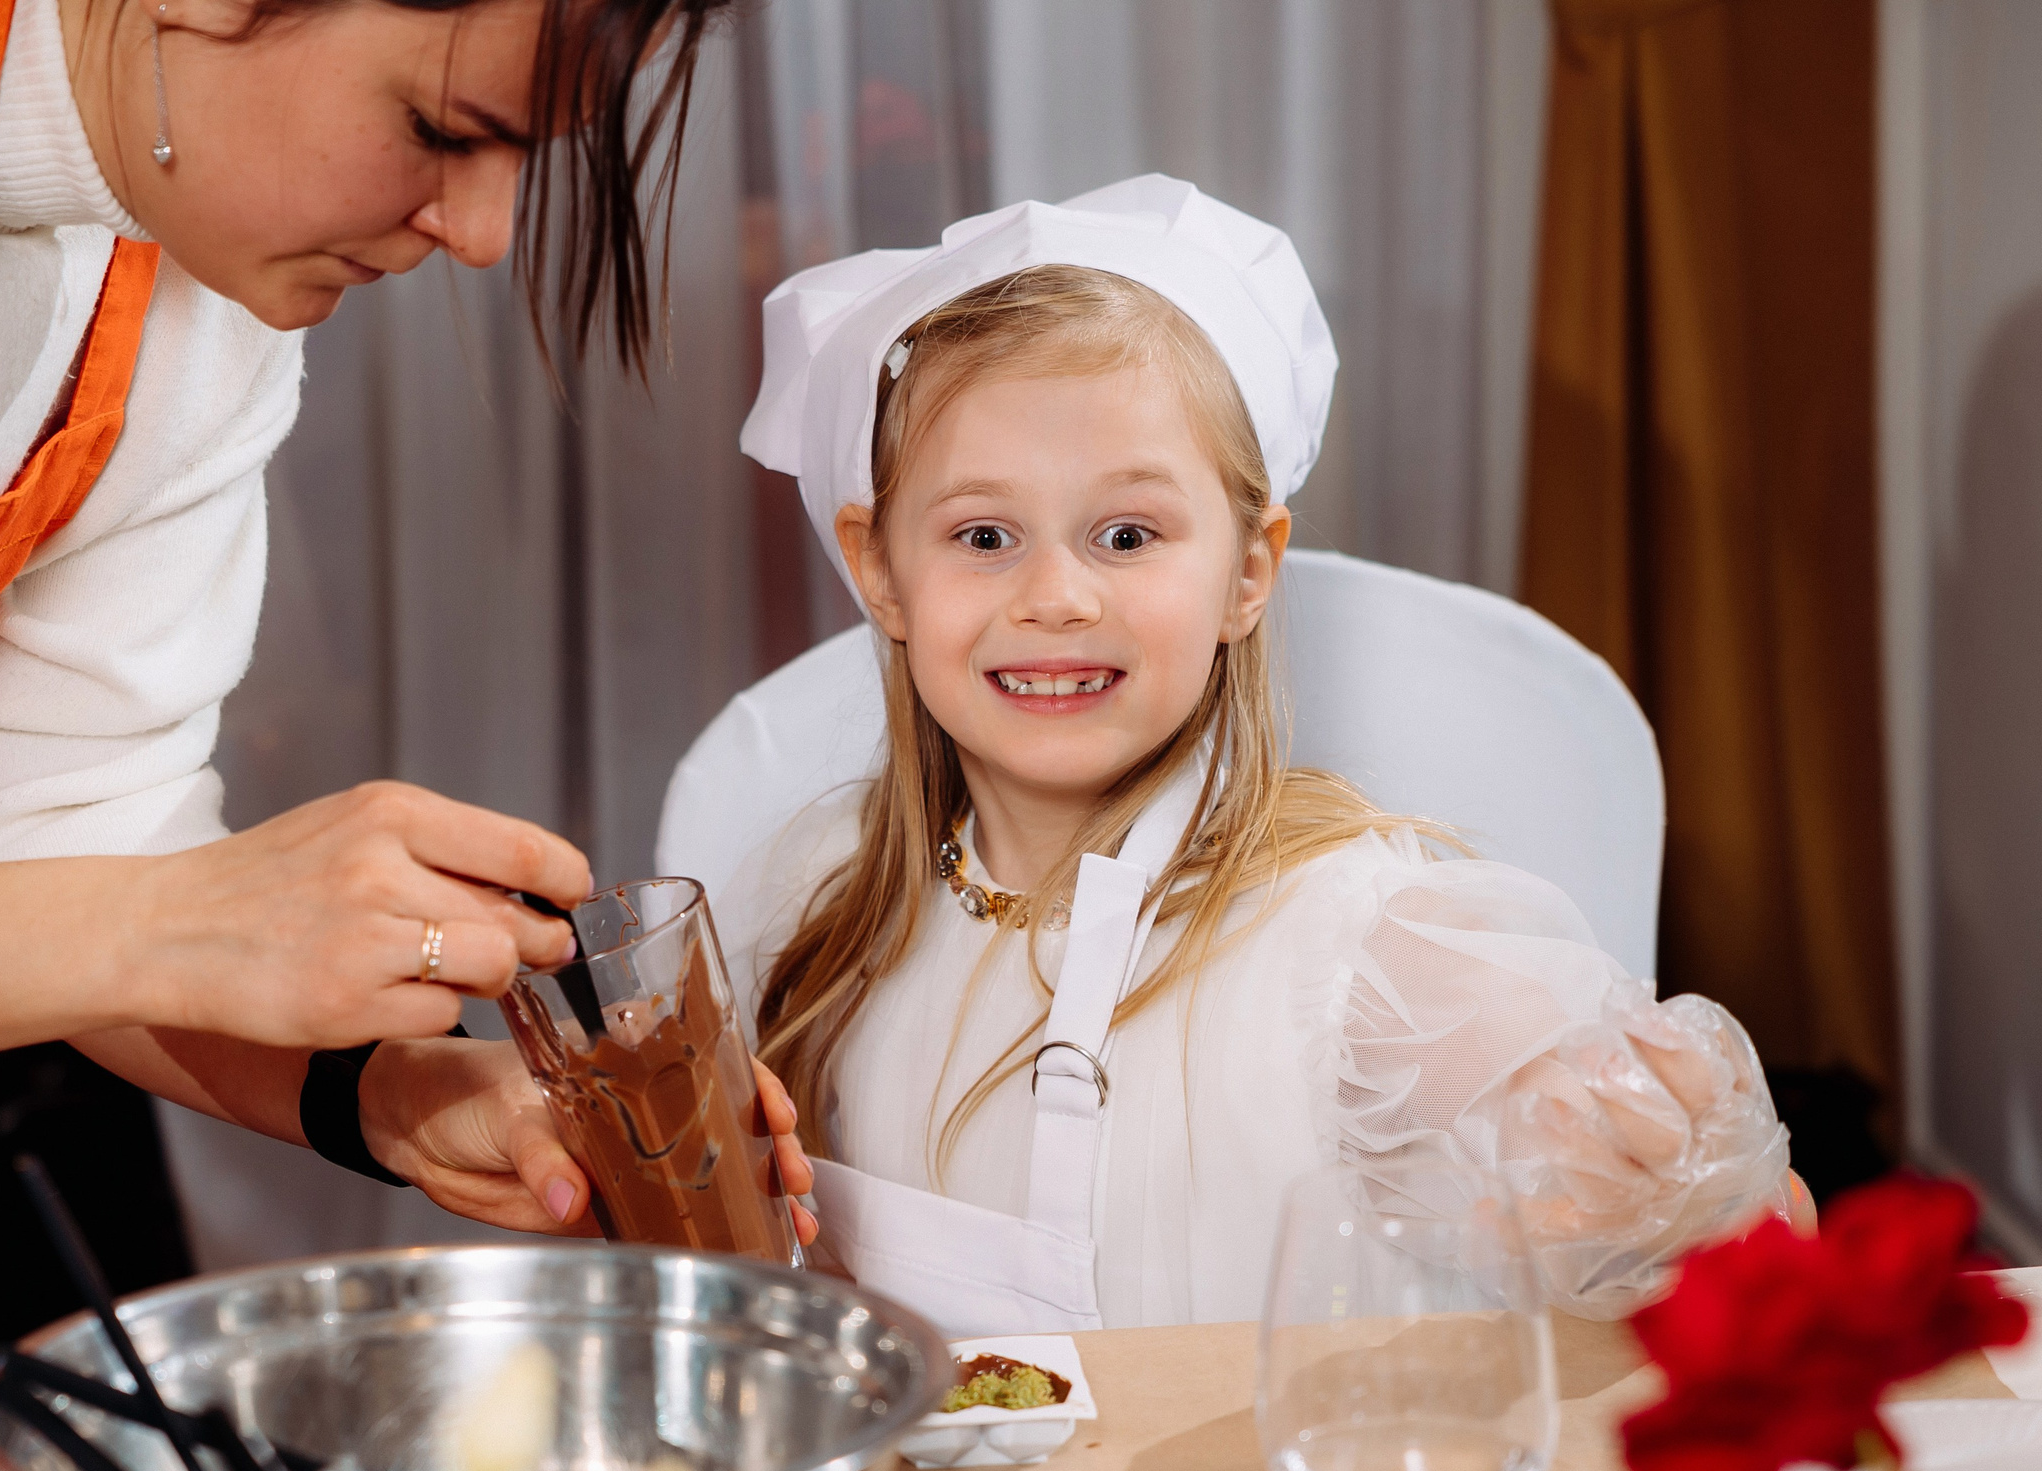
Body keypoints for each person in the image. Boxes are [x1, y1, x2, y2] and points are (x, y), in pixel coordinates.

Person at [0, 0, 811, 1433]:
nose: (483, 232)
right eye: (440, 130)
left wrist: (404, 1092)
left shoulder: (181, 261)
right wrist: (178, 919)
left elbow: (42, 835)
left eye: (525, 159)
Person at [723, 177, 1802, 1336]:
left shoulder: (1356, 950)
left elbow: (1748, 1245)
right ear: (878, 568)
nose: (1055, 596)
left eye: (1126, 534)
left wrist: (1658, 1177)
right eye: (983, 536)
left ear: (1246, 572)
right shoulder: (816, 902)